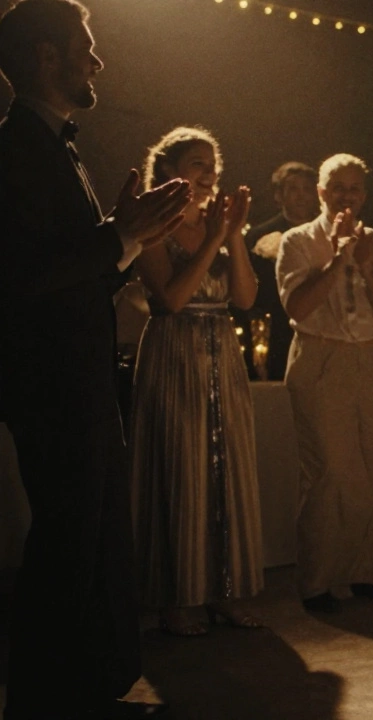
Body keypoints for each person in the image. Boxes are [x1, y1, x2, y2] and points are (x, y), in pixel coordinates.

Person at [0, 1, 189, 717]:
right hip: (50, 382)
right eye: (86, 45)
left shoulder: (57, 147)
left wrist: (127, 240)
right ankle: (45, 700)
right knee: (68, 544)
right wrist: (119, 238)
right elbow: (22, 274)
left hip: (80, 374)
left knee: (96, 539)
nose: (98, 60)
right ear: (46, 56)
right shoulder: (14, 149)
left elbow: (75, 272)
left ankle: (84, 687)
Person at [130, 127, 265, 636]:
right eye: (197, 164)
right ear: (168, 170)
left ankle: (222, 590)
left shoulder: (218, 225)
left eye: (213, 165)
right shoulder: (153, 227)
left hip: (221, 353)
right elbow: (170, 300)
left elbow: (246, 299)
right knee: (179, 469)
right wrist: (213, 240)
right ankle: (175, 596)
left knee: (225, 471)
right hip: (175, 352)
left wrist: (232, 235)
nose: (209, 174)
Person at [277, 153, 373, 613]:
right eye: (337, 187)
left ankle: (371, 573)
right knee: (329, 470)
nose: (345, 197)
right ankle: (319, 580)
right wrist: (337, 258)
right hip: (320, 354)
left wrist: (367, 265)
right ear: (321, 192)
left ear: (364, 195)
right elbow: (297, 307)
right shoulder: (297, 241)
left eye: (354, 189)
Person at [235, 161, 318, 380]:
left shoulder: (324, 231)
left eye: (306, 189)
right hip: (277, 325)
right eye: (293, 189)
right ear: (279, 196)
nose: (301, 196)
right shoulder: (259, 234)